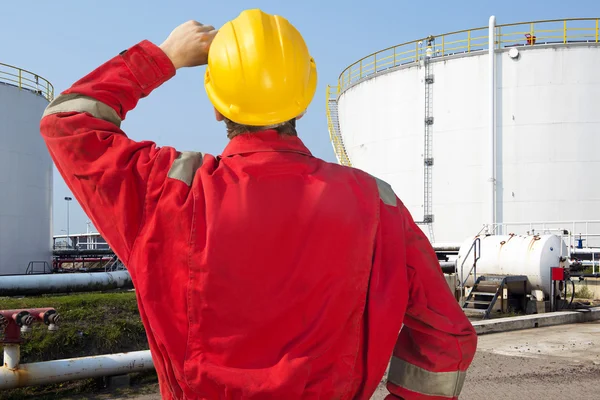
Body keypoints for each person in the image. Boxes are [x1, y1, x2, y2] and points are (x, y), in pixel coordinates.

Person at [40, 9, 477, 400]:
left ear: (216, 106)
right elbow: (447, 334)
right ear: (303, 102)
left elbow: (66, 124)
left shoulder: (168, 191)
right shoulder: (376, 202)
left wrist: (166, 55)